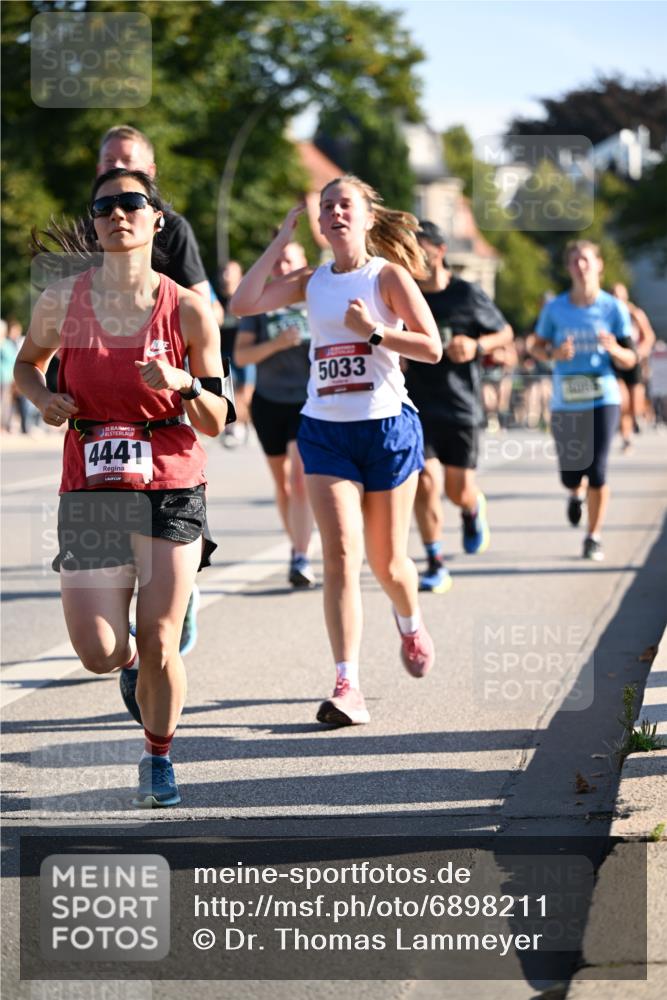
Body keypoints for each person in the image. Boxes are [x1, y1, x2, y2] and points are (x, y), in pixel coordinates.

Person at [14, 168, 229, 806]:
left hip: (170, 480)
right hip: (92, 485)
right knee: (99, 650)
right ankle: (130, 667)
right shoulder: (63, 301)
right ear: (95, 222)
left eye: (132, 202)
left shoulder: (188, 309)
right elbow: (27, 364)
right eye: (105, 206)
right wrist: (45, 397)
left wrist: (184, 383)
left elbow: (217, 418)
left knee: (163, 634)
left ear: (156, 218)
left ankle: (158, 758)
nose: (118, 214)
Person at [231, 175, 442, 727]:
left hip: (387, 429)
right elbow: (242, 301)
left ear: (367, 217)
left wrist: (374, 332)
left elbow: (432, 347)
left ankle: (409, 616)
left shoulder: (387, 276)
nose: (334, 213)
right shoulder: (312, 281)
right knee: (340, 555)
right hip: (324, 429)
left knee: (388, 562)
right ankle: (347, 683)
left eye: (344, 204)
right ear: (320, 222)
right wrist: (278, 243)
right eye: (327, 207)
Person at [404, 221, 513, 593]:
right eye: (410, 251)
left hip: (462, 405)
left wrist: (476, 347)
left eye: (422, 250)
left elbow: (505, 332)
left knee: (457, 490)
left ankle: (471, 507)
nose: (416, 258)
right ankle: (434, 561)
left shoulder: (467, 294)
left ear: (440, 251)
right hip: (418, 404)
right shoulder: (405, 294)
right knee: (425, 482)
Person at [530, 241, 636, 562]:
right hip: (566, 401)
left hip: (603, 397)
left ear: (599, 265)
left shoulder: (613, 308)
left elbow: (631, 358)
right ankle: (575, 494)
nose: (581, 266)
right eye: (575, 261)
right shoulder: (556, 308)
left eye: (586, 260)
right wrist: (554, 354)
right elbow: (535, 346)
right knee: (571, 474)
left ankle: (593, 536)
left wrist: (614, 349)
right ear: (569, 268)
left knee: (599, 470)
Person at [233, 241, 315, 587]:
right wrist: (276, 345)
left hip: (308, 401)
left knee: (299, 481)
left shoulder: (317, 298)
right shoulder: (260, 303)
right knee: (282, 485)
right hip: (269, 402)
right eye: (278, 261)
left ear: (303, 264)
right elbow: (242, 357)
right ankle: (296, 544)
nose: (282, 267)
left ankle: (301, 555)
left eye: (289, 261)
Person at [610, 282, 656, 451]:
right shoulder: (608, 314)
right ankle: (626, 438)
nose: (616, 298)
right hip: (616, 362)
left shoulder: (634, 313)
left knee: (635, 403)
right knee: (623, 401)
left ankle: (641, 414)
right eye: (613, 294)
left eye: (620, 295)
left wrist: (640, 354)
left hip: (634, 361)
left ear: (626, 296)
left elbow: (649, 336)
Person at [219, 259, 255, 448]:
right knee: (228, 392)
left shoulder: (245, 300)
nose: (226, 276)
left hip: (244, 352)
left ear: (240, 276)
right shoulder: (217, 300)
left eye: (231, 272)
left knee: (246, 392)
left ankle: (242, 423)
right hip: (224, 352)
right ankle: (235, 425)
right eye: (224, 271)